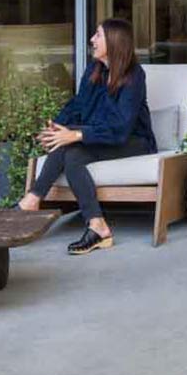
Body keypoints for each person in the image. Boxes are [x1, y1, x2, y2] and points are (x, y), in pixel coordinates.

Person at [18, 18, 155, 255]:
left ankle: (30, 202)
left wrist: (77, 134)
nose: (92, 39)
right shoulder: (94, 70)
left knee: (72, 149)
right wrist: (57, 128)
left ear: (114, 42)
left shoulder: (134, 76)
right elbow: (78, 105)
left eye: (98, 35)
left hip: (133, 141)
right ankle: (96, 225)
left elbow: (121, 128)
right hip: (101, 137)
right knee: (69, 151)